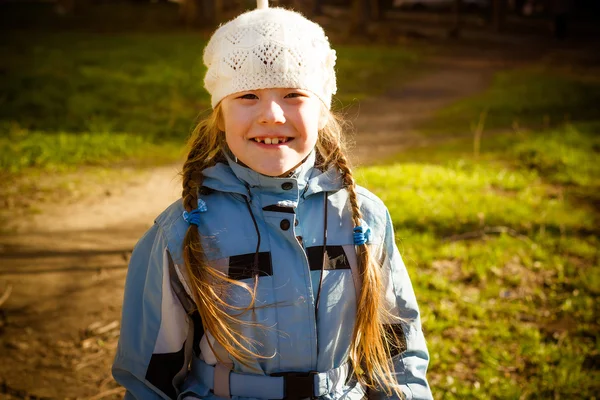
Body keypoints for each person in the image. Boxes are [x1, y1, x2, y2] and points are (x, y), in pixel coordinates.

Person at [112, 0, 432, 398]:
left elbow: (396, 351)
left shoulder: (364, 218)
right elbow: (150, 381)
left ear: (322, 112)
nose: (272, 115)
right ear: (220, 115)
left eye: (294, 94)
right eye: (247, 96)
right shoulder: (180, 231)